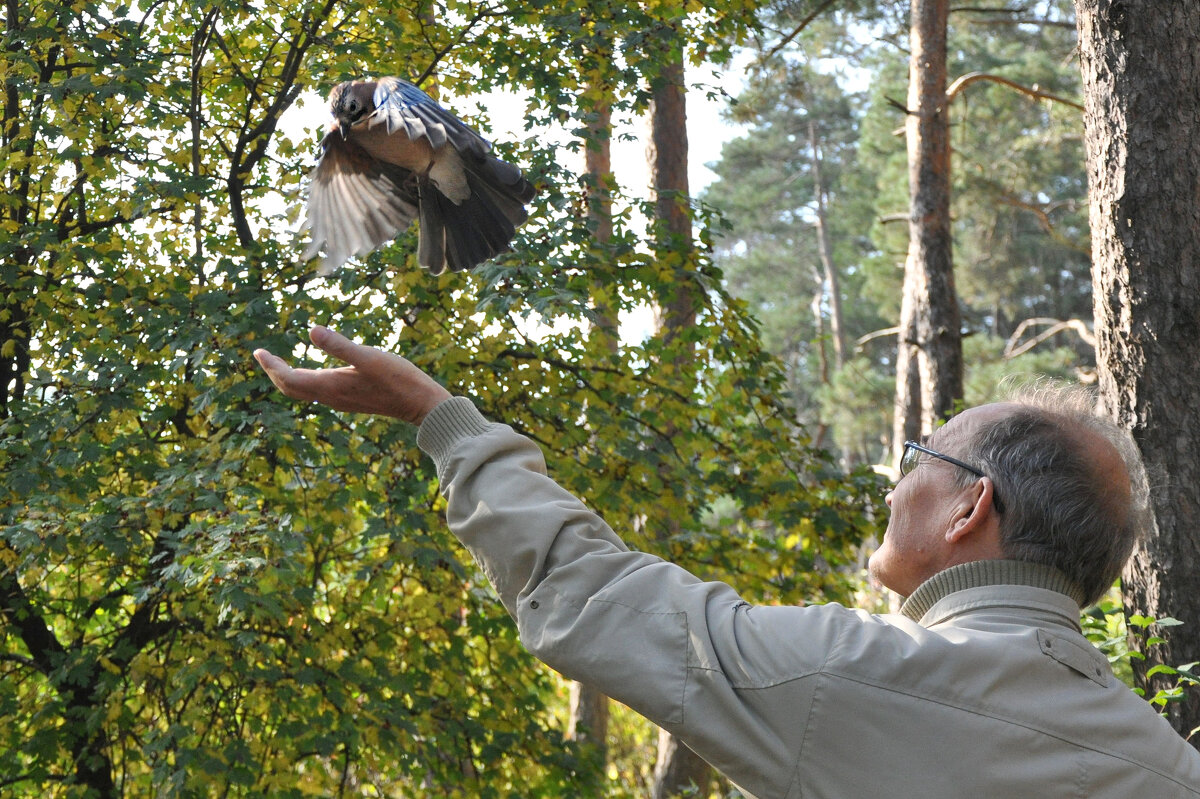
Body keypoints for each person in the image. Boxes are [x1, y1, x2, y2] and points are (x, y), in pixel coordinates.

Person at [253, 325, 1200, 799]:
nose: (890, 480)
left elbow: (591, 593)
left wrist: (441, 418)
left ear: (969, 507)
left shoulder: (850, 676)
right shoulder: (1168, 765)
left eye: (917, 456)